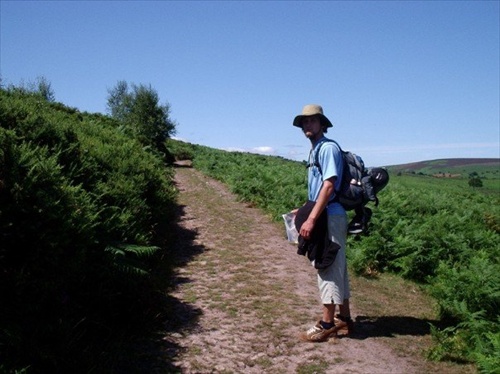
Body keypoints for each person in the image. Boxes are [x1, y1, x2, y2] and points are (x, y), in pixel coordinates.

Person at [293, 104, 354, 342]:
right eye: (304, 122)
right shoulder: (316, 149)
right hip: (327, 213)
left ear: (322, 123)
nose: (308, 125)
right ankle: (345, 320)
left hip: (330, 215)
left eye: (312, 121)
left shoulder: (327, 148)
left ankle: (327, 323)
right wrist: (305, 209)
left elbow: (329, 186)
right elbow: (319, 187)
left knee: (326, 264)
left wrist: (311, 217)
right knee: (338, 265)